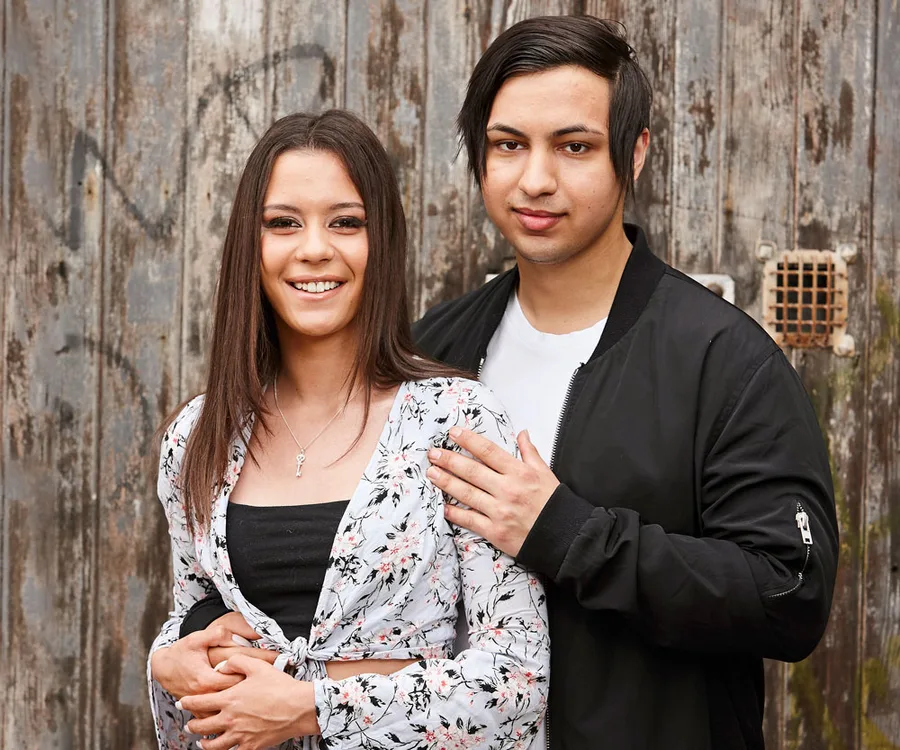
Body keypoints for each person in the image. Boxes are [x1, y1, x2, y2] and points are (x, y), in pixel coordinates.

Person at [415, 15, 840, 750]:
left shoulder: (724, 362)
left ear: (633, 153)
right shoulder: (434, 349)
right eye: (508, 145)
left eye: (573, 146)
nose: (535, 179)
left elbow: (789, 593)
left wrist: (564, 532)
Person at [147, 109, 549, 750]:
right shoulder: (198, 439)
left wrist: (311, 705)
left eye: (345, 222)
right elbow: (197, 625)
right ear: (251, 247)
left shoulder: (454, 422)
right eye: (283, 223)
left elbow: (515, 685)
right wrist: (165, 660)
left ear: (380, 241)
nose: (314, 248)